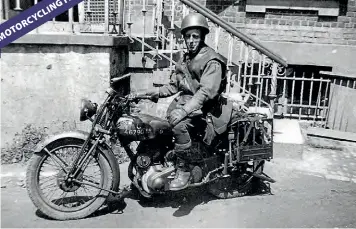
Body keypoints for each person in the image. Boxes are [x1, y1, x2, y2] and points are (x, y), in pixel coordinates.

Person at [129, 13, 227, 191]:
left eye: (195, 36)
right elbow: (172, 87)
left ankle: (184, 169)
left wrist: (183, 111)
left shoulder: (212, 60)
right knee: (155, 125)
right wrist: (143, 93)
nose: (190, 40)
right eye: (187, 36)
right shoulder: (186, 59)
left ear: (203, 36)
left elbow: (205, 92)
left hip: (206, 109)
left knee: (178, 124)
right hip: (186, 104)